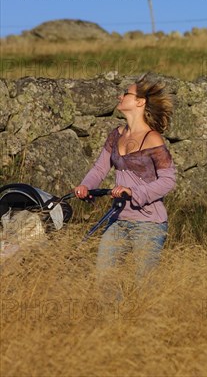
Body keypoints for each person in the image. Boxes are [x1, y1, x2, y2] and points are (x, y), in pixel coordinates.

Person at [74, 73, 176, 289]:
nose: (120, 96)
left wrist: (133, 191)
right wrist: (85, 186)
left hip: (149, 223)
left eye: (126, 93)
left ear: (140, 102)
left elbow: (168, 181)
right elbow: (100, 168)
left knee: (144, 285)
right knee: (104, 278)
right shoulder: (116, 135)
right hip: (118, 219)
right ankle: (111, 322)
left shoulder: (153, 139)